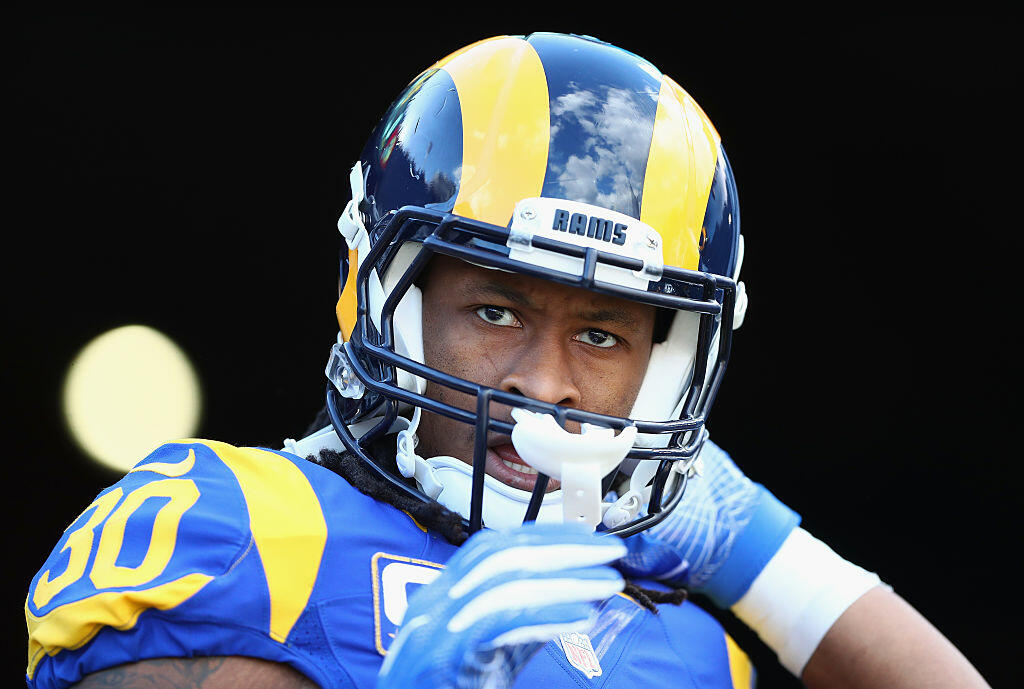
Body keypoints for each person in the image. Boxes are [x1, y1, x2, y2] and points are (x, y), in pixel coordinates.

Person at [24, 32, 989, 689]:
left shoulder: (690, 642)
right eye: (495, 308)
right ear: (385, 300)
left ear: (667, 363)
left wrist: (762, 556)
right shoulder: (241, 528)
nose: (546, 381)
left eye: (603, 333)